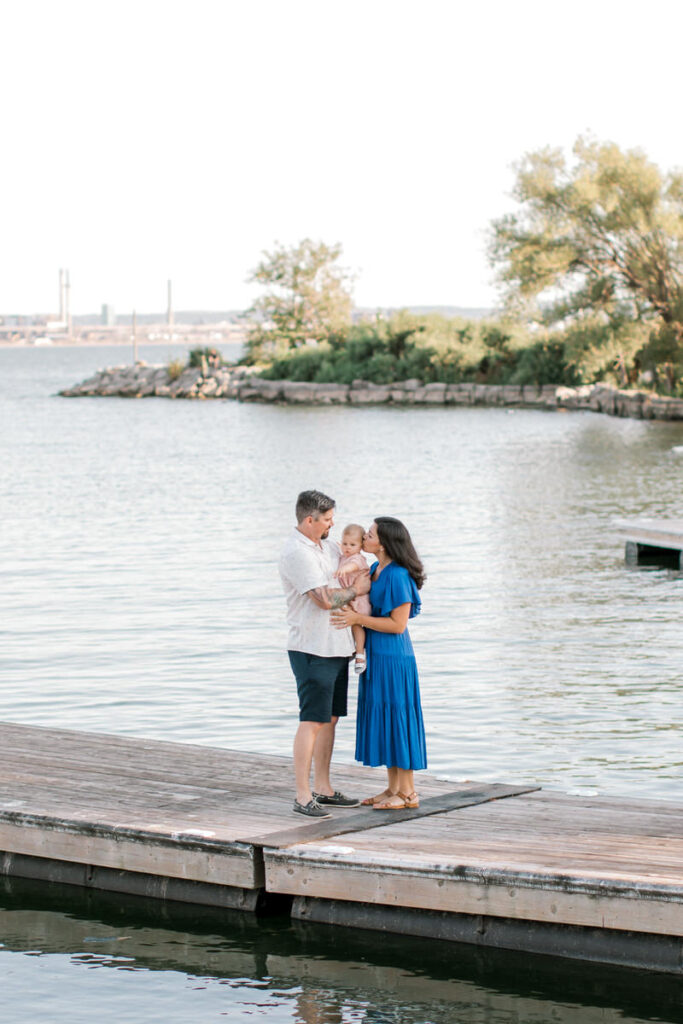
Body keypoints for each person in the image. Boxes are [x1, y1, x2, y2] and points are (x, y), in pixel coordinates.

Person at [279, 490, 371, 818]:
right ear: (310, 520)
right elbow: (324, 600)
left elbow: (355, 562)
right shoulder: (297, 553)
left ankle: (323, 788)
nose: (333, 524)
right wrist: (357, 590)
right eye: (328, 519)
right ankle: (303, 797)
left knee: (330, 719)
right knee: (312, 720)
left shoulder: (328, 546)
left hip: (337, 646)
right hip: (311, 648)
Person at [331, 517, 426, 810]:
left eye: (370, 535)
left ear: (383, 544)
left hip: (394, 656)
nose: (365, 538)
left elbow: (398, 625)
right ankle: (393, 787)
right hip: (375, 653)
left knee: (398, 717)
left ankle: (408, 793)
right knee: (385, 718)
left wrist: (357, 618)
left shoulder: (398, 574)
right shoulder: (373, 569)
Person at [335, 523, 371, 674]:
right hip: (349, 597)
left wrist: (345, 568)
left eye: (352, 545)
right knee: (349, 624)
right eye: (345, 543)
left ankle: (360, 654)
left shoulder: (358, 558)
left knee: (356, 625)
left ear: (361, 546)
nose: (347, 548)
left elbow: (354, 566)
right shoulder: (345, 556)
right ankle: (353, 649)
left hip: (359, 600)